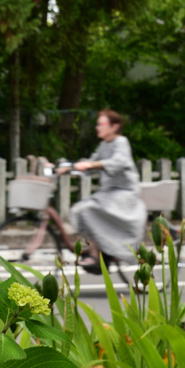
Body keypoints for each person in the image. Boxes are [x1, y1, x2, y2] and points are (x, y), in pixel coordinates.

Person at [55, 109, 146, 272]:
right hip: (109, 194)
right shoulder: (104, 145)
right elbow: (90, 164)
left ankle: (98, 254)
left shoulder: (121, 142)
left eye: (101, 124)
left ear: (114, 126)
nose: (97, 127)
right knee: (79, 210)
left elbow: (119, 161)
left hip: (124, 193)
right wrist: (66, 169)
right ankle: (96, 251)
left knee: (89, 209)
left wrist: (90, 165)